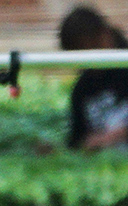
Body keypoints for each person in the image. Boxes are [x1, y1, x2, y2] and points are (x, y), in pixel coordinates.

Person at [60, 5, 128, 151]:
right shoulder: (82, 90)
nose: (92, 60)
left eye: (94, 46)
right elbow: (77, 140)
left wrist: (115, 135)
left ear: (106, 34)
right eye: (83, 52)